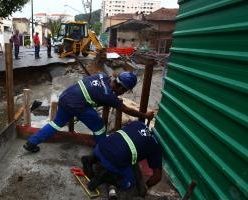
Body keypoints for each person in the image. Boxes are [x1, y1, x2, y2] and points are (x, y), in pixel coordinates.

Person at [23, 72, 155, 153]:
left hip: (65, 97)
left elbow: (94, 90)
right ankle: (102, 152)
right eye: (124, 91)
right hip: (77, 105)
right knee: (99, 127)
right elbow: (126, 109)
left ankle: (31, 143)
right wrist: (145, 115)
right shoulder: (108, 96)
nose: (123, 93)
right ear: (121, 86)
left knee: (56, 123)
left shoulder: (103, 76)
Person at [81, 121, 162, 192]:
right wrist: (146, 187)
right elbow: (157, 177)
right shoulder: (155, 146)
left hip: (99, 148)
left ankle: (91, 159)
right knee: (130, 183)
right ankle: (107, 177)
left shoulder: (138, 124)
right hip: (113, 160)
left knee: (117, 149)